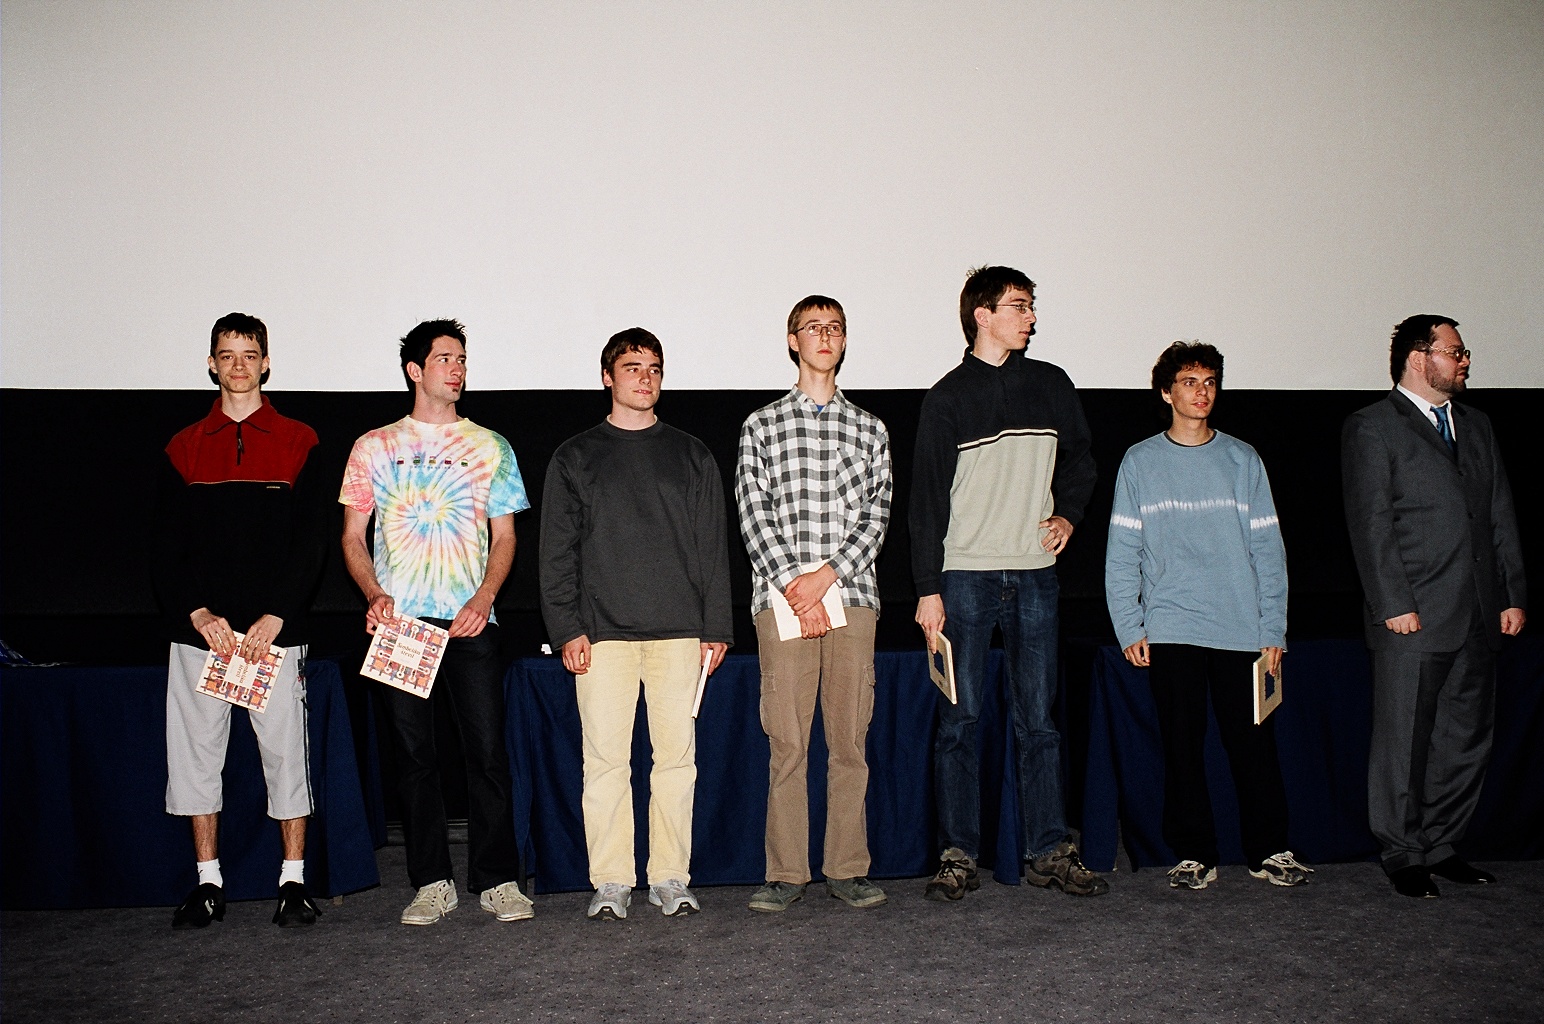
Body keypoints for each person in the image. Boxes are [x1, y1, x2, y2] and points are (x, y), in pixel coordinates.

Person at [910, 265, 1107, 900]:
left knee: (1039, 722)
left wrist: (1068, 515)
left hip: (1035, 575)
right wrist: (927, 588)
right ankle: (958, 854)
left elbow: (1082, 461)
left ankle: (1049, 849)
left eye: (1030, 307)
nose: (1031, 317)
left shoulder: (1051, 384)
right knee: (959, 720)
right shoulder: (946, 398)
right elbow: (925, 502)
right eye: (1019, 306)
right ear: (983, 315)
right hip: (964, 576)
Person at [340, 319, 534, 925]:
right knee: (413, 756)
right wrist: (374, 593)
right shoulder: (373, 446)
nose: (457, 369)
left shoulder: (490, 445)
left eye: (462, 359)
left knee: (487, 752)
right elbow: (352, 536)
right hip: (400, 626)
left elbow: (506, 537)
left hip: (470, 620)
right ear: (414, 370)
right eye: (445, 358)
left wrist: (484, 597)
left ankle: (498, 879)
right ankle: (431, 882)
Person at [539, 328, 733, 920]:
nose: (644, 378)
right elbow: (556, 553)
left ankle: (670, 877)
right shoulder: (575, 456)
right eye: (632, 368)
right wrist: (566, 628)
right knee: (605, 763)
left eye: (654, 369)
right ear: (608, 377)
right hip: (602, 637)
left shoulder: (691, 454)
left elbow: (713, 547)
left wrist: (716, 627)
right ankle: (611, 881)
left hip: (679, 633)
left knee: (676, 761)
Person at [1105, 341, 1312, 890]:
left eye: (1210, 382)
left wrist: (1272, 628)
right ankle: (1194, 852)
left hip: (1241, 630)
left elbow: (1269, 552)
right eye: (1190, 382)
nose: (1202, 393)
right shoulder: (1139, 462)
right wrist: (1129, 624)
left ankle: (1270, 850)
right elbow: (1122, 553)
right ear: (1166, 392)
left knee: (1254, 747)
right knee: (1181, 747)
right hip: (1172, 627)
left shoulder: (1243, 460)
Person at [1342, 314, 1526, 898]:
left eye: (1464, 353)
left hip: (1478, 610)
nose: (1465, 361)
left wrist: (1511, 594)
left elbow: (1498, 513)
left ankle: (1443, 844)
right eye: (1456, 351)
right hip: (1413, 614)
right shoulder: (1372, 426)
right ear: (1419, 358)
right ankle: (1403, 852)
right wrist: (1392, 601)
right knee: (1404, 740)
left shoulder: (1477, 425)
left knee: (1464, 739)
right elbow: (1370, 524)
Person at [153, 312, 327, 929]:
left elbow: (312, 543)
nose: (238, 366)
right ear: (211, 364)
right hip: (203, 637)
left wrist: (278, 614)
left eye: (249, 355)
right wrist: (197, 612)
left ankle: (293, 883)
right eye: (227, 355)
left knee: (286, 757)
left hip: (273, 637)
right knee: (196, 760)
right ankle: (208, 884)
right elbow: (164, 548)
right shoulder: (183, 445)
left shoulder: (300, 439)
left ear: (266, 363)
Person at [735, 296, 893, 913]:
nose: (825, 337)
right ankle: (786, 872)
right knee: (789, 742)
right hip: (782, 602)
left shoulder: (871, 429)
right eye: (813, 328)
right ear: (792, 341)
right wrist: (795, 588)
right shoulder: (762, 425)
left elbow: (876, 518)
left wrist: (825, 578)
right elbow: (754, 513)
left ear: (844, 341)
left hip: (852, 597)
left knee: (850, 741)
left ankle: (847, 868)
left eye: (835, 328)